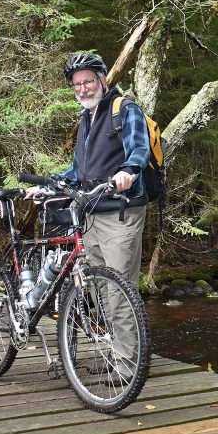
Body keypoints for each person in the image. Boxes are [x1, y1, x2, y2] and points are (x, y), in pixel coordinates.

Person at [28, 52, 151, 382]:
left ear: (102, 80)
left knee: (119, 290)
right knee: (96, 289)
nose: (83, 88)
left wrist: (129, 170)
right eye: (77, 84)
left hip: (121, 213)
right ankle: (117, 353)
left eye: (88, 81)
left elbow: (139, 149)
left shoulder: (124, 109)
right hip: (93, 215)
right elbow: (79, 171)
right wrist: (51, 186)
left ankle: (128, 367)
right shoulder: (87, 120)